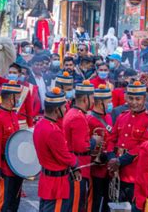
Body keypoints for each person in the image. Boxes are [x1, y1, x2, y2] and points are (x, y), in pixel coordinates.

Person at [106, 81, 148, 203]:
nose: (134, 102)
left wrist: (119, 161)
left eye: (138, 99)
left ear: (144, 99)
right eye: (130, 98)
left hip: (135, 173)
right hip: (116, 172)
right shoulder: (122, 116)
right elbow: (111, 139)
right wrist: (111, 158)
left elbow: (142, 146)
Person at [33, 87, 79, 212]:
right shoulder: (53, 131)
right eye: (64, 107)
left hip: (47, 179)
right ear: (56, 109)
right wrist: (76, 162)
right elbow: (65, 157)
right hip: (57, 184)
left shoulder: (40, 124)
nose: (65, 109)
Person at [63, 80, 101, 211]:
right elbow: (82, 147)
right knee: (77, 206)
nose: (93, 100)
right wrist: (95, 140)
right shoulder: (78, 117)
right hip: (80, 167)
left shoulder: (74, 113)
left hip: (77, 165)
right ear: (85, 99)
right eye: (92, 97)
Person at [0, 80, 24, 212]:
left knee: (14, 203)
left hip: (16, 166)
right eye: (18, 96)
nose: (19, 99)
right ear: (10, 97)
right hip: (4, 169)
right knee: (2, 204)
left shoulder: (13, 114)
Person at [86, 84, 113, 212]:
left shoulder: (108, 117)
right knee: (94, 202)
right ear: (100, 102)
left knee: (108, 201)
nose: (110, 104)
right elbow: (87, 144)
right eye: (109, 102)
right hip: (95, 169)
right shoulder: (89, 119)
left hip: (107, 167)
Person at [0, 60, 37, 128]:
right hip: (6, 122)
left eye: (14, 73)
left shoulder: (25, 89)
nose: (12, 74)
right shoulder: (5, 84)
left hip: (21, 124)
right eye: (10, 72)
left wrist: (30, 126)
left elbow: (29, 110)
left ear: (19, 74)